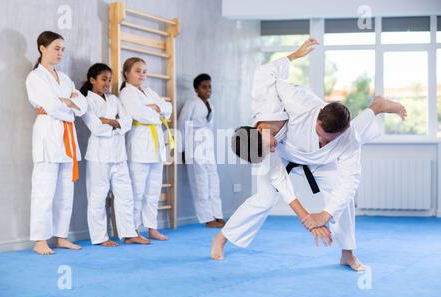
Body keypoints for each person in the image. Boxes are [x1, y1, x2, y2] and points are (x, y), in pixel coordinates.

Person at [211, 39, 407, 271]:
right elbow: (265, 71)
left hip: (319, 159)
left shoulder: (311, 111)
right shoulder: (267, 135)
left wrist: (324, 215)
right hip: (290, 154)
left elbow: (349, 182)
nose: (270, 149)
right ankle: (222, 237)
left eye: (268, 146)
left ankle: (347, 253)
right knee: (263, 198)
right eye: (266, 151)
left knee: (342, 196)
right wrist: (307, 218)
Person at [26, 31, 88, 255]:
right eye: (56, 48)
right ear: (42, 48)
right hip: (48, 134)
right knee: (44, 190)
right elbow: (52, 107)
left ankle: (61, 236)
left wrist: (70, 102)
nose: (61, 52)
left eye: (63, 49)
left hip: (67, 137)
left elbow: (84, 106)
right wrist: (69, 104)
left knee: (65, 191)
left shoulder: (65, 78)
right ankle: (40, 240)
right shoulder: (36, 77)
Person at [81, 63, 151, 246]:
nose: (107, 83)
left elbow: (128, 122)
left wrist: (110, 122)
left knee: (125, 195)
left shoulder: (114, 100)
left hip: (119, 155)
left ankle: (129, 233)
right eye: (103, 79)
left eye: (110, 80)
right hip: (98, 157)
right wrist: (115, 123)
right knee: (97, 197)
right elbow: (96, 128)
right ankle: (100, 237)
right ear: (92, 80)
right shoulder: (86, 101)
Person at [119, 57, 174, 242]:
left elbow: (169, 108)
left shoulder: (148, 91)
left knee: (153, 190)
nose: (142, 74)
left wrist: (157, 108)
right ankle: (132, 231)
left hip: (156, 145)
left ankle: (152, 227)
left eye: (144, 71)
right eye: (137, 70)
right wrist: (157, 112)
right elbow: (141, 114)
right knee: (137, 190)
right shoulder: (127, 93)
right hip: (139, 144)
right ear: (126, 73)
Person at [178, 74, 225, 228]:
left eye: (209, 86)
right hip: (194, 146)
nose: (208, 90)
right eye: (204, 87)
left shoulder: (210, 104)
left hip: (207, 146)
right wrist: (182, 150)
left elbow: (209, 127)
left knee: (213, 181)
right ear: (196, 89)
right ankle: (207, 218)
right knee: (200, 183)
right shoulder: (192, 103)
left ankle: (217, 215)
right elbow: (182, 125)